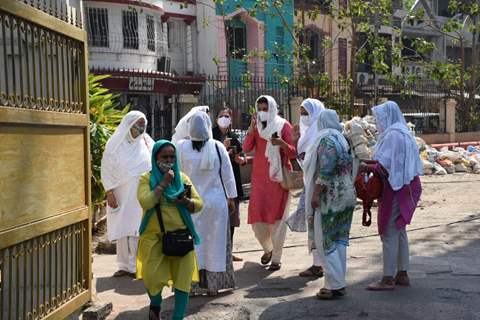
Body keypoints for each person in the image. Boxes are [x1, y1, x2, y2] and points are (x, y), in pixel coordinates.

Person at [136, 140, 203, 320]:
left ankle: (178, 317)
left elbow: (198, 204)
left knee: (183, 281)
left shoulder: (183, 179)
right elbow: (146, 202)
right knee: (151, 279)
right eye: (164, 156)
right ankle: (155, 304)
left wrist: (186, 202)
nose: (169, 160)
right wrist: (163, 184)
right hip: (154, 239)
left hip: (181, 237)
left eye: (172, 157)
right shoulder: (146, 179)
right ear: (155, 157)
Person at [177, 111, 238, 296]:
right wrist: (231, 197)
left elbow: (178, 176)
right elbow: (228, 175)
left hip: (191, 204)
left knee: (194, 245)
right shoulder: (218, 147)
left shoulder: (180, 147)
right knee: (216, 243)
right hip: (215, 204)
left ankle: (192, 286)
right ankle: (214, 286)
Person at [365, 101, 423, 291]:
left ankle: (388, 278)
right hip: (409, 186)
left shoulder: (392, 135)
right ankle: (402, 273)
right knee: (399, 230)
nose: (378, 122)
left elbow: (385, 165)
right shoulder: (404, 132)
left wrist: (366, 166)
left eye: (379, 118)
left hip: (395, 189)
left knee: (388, 232)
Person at [303, 109, 357, 300]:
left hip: (331, 197)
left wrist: (315, 194)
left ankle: (334, 285)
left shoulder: (326, 141)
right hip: (346, 194)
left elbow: (325, 172)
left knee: (326, 240)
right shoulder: (342, 138)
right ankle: (339, 282)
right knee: (340, 240)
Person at [243, 95, 296, 271]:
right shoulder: (256, 127)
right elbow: (246, 148)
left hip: (278, 180)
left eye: (265, 109)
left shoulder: (283, 125)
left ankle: (277, 258)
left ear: (272, 109)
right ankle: (268, 249)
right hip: (258, 181)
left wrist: (281, 143)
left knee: (278, 221)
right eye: (260, 109)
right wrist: (251, 129)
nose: (262, 112)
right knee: (257, 222)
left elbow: (293, 153)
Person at [101, 110, 154, 277]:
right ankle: (124, 266)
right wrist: (109, 192)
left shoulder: (146, 141)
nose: (141, 127)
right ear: (129, 125)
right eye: (138, 124)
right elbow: (106, 169)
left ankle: (136, 265)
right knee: (123, 228)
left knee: (138, 228)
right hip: (120, 192)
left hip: (141, 193)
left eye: (143, 124)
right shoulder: (114, 144)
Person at [286, 98, 326, 277]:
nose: (303, 117)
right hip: (310, 183)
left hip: (321, 186)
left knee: (321, 224)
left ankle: (323, 264)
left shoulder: (321, 133)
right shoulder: (305, 133)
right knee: (313, 223)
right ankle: (318, 263)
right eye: (301, 113)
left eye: (306, 113)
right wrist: (295, 142)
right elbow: (304, 163)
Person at [212, 108, 246, 262]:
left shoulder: (233, 137)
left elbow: (241, 153)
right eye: (221, 116)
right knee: (216, 220)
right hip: (216, 183)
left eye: (227, 116)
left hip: (232, 181)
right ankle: (216, 252)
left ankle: (229, 251)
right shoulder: (211, 135)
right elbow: (209, 157)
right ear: (216, 119)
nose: (224, 119)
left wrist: (241, 159)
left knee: (231, 221)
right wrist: (221, 146)